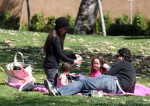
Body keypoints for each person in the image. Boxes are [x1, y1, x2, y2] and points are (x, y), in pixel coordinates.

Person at [44, 48, 136, 96]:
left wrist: (97, 79)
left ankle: (57, 91)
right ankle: (93, 94)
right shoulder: (132, 69)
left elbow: (109, 74)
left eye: (117, 55)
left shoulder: (122, 62)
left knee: (83, 82)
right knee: (87, 85)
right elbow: (132, 89)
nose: (116, 58)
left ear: (122, 57)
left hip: (112, 82)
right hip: (117, 89)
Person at [43, 17, 82, 86]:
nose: (66, 30)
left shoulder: (54, 35)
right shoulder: (55, 38)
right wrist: (74, 61)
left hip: (51, 65)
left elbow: (60, 53)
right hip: (51, 66)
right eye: (65, 28)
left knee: (52, 84)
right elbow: (61, 55)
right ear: (60, 27)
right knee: (52, 85)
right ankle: (30, 86)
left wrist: (73, 55)